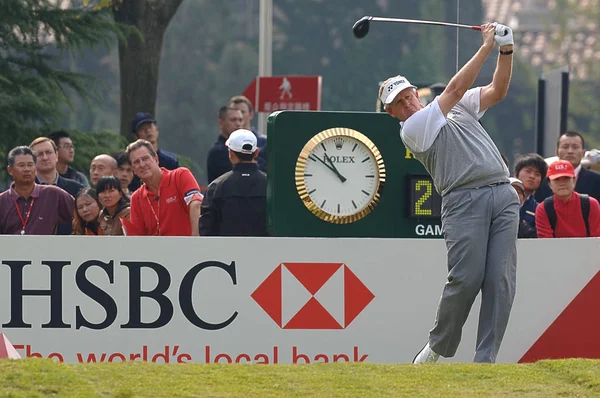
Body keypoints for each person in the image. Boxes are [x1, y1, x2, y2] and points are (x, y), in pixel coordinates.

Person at [380, 22, 518, 363]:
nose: (408, 102)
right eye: (399, 101)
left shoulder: (454, 107)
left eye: (409, 94)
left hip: (502, 194)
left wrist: (506, 50)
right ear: (392, 112)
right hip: (463, 201)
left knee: (500, 280)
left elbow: (497, 91)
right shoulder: (412, 128)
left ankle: (485, 359)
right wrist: (486, 46)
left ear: (417, 92)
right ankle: (438, 347)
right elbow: (455, 88)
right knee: (466, 278)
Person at [125, 139, 202, 236]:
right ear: (133, 170)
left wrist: (196, 239)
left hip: (188, 247)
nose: (142, 165)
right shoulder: (136, 198)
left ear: (156, 159)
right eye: (136, 162)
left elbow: (196, 203)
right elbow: (138, 236)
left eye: (145, 159)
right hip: (156, 250)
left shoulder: (180, 175)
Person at [199, 129, 268, 236]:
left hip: (225, 251)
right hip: (265, 250)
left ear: (230, 153)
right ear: (256, 153)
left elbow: (206, 229)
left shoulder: (216, 187)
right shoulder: (271, 186)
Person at [0, 146, 74, 235]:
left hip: (46, 248)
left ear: (35, 169)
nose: (27, 169)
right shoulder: (2, 201)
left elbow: (81, 215)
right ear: (10, 170)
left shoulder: (53, 194)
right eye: (21, 165)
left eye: (30, 165)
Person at [30, 137, 83, 235]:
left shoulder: (76, 189)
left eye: (49, 152)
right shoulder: (26, 190)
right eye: (39, 154)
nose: (45, 157)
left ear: (56, 155)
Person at [535, 160, 600, 238]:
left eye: (566, 178)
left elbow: (596, 240)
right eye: (557, 179)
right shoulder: (543, 209)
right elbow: (546, 243)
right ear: (549, 184)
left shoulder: (591, 204)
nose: (562, 183)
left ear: (574, 180)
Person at [535, 132, 600, 203]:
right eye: (565, 147)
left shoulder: (597, 180)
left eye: (575, 147)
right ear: (557, 152)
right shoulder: (543, 181)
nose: (570, 151)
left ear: (583, 153)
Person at [128, 112, 180, 192]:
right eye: (142, 129)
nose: (148, 131)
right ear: (135, 135)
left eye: (150, 126)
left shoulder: (170, 161)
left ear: (157, 129)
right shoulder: (132, 163)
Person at [229, 95, 268, 172]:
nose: (238, 115)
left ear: (251, 114)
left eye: (242, 112)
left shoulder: (264, 143)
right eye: (235, 112)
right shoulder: (226, 142)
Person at [206, 106, 243, 184]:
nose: (238, 124)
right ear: (221, 123)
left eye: (240, 120)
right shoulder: (218, 152)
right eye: (233, 120)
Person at [514, 153, 547, 232]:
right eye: (528, 171)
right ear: (516, 174)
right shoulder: (501, 201)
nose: (532, 176)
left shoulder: (540, 209)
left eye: (537, 174)